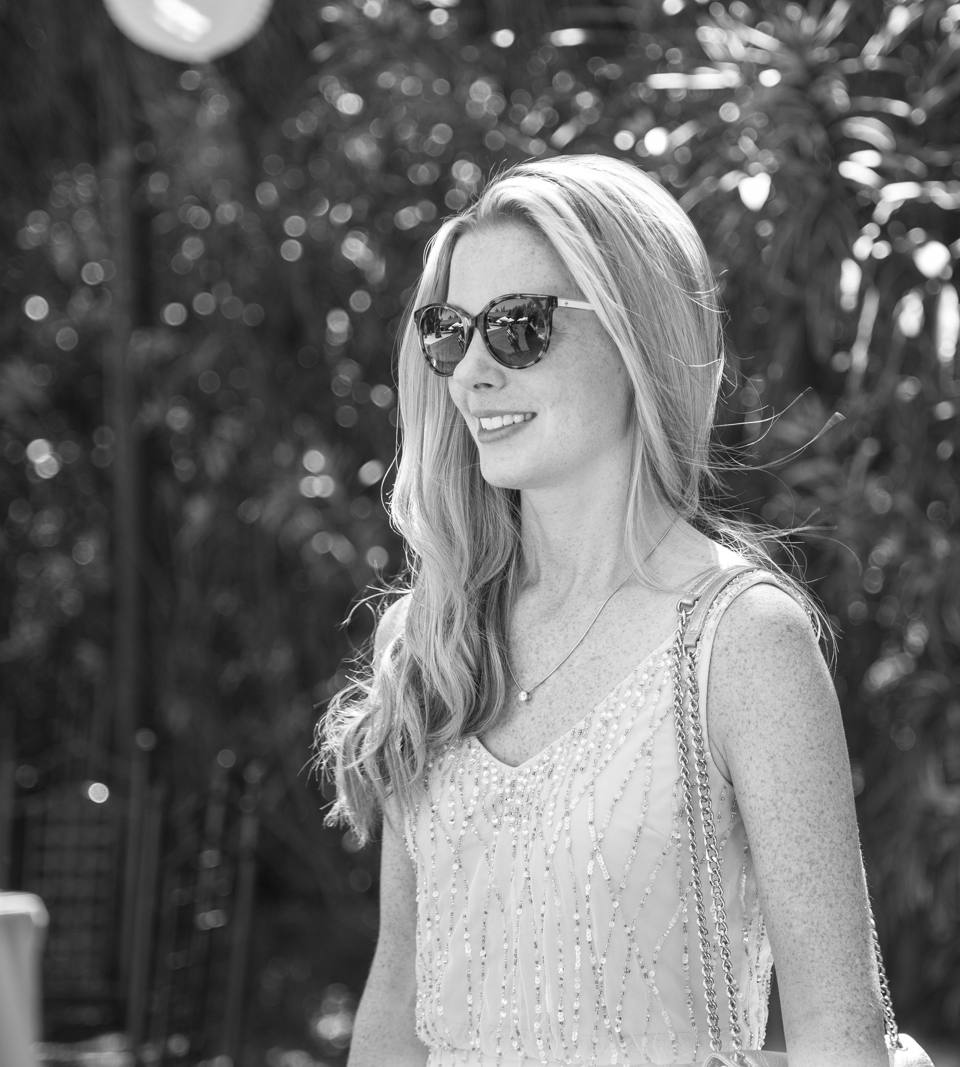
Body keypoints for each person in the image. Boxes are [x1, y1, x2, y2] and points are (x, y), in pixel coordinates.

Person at [319, 154, 898, 1067]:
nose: (471, 372)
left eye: (518, 326)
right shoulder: (434, 638)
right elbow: (399, 994)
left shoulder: (744, 644)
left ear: (638, 337)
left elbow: (840, 1036)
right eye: (448, 332)